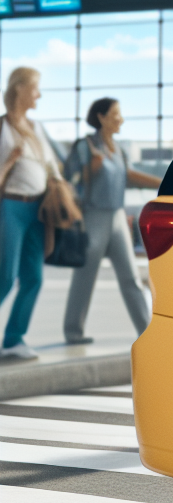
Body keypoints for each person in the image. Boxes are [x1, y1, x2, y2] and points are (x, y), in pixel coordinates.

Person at [62, 97, 161, 345]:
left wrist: (163, 183)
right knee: (85, 276)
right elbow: (68, 179)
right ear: (102, 117)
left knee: (131, 277)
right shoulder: (85, 146)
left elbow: (128, 175)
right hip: (93, 216)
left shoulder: (118, 148)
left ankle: (147, 331)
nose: (121, 119)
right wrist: (93, 168)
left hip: (116, 216)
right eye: (115, 114)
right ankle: (73, 332)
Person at [0, 67, 65, 360]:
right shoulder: (3, 128)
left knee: (33, 278)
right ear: (20, 89)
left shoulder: (36, 128)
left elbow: (52, 166)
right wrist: (10, 161)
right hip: (11, 207)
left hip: (38, 211)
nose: (39, 95)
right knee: (5, 276)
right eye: (35, 88)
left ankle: (14, 338)